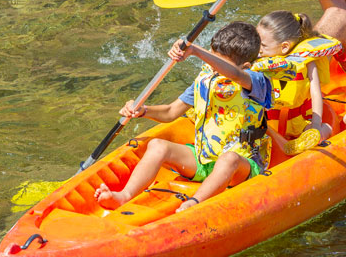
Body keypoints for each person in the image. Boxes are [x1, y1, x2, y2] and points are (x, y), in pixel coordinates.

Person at [93, 21, 271, 213]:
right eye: (211, 57)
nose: (211, 66)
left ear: (245, 66)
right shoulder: (207, 78)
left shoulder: (256, 81)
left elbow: (235, 74)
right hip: (204, 160)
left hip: (242, 166)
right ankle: (124, 196)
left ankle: (195, 203)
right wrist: (143, 110)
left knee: (228, 159)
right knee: (157, 146)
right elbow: (171, 112)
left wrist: (197, 51)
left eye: (216, 62)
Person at [252, 11, 342, 154]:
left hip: (298, 121)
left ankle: (311, 138)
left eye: (262, 45)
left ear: (284, 47)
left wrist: (316, 124)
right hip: (270, 122)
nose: (258, 49)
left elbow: (316, 93)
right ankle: (284, 146)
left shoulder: (305, 63)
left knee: (325, 128)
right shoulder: (258, 63)